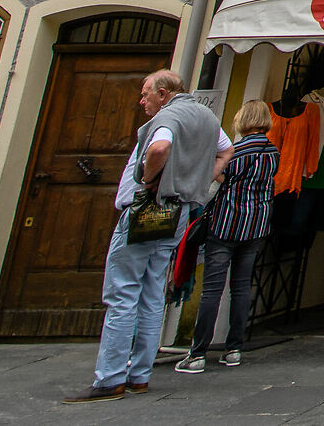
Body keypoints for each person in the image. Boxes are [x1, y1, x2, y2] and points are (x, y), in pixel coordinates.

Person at [63, 70, 233, 404]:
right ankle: (140, 373)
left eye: (146, 94)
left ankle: (111, 377)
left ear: (164, 92)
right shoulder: (205, 116)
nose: (142, 101)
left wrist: (148, 179)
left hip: (146, 209)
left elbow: (160, 147)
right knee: (154, 289)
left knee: (123, 292)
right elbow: (225, 153)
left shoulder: (169, 117)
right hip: (178, 211)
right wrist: (196, 185)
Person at [175, 100, 279, 374]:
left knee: (212, 289)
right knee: (242, 287)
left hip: (226, 222)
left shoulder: (235, 150)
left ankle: (198, 352)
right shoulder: (273, 152)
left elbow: (219, 176)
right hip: (256, 224)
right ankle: (234, 348)